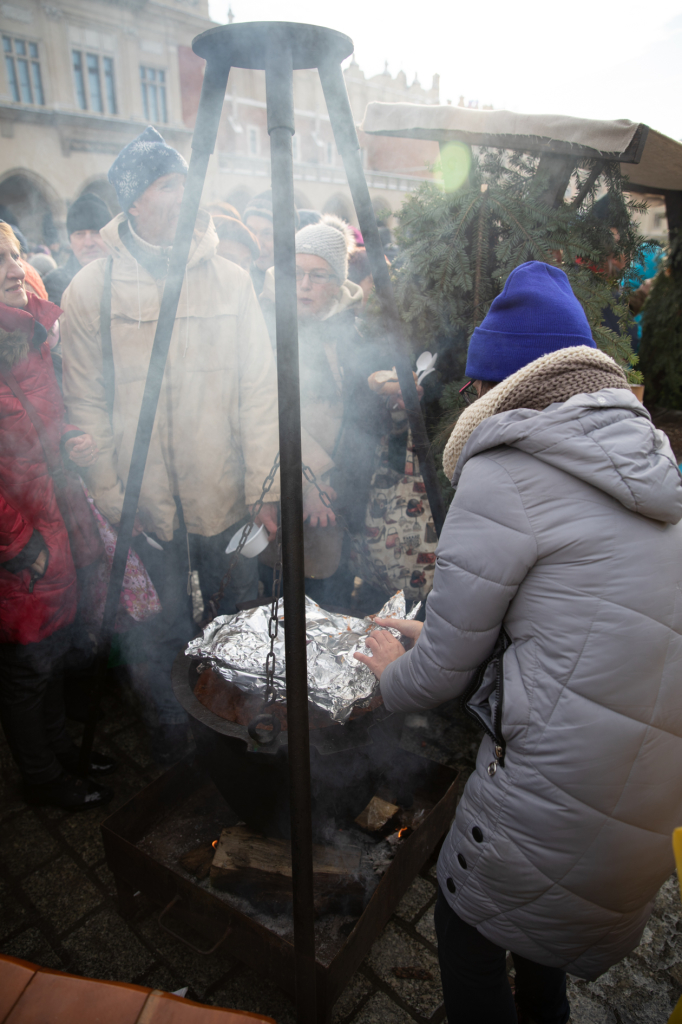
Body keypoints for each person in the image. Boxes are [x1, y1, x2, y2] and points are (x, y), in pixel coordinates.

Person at [355, 261, 682, 1024]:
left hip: (559, 785)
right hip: (645, 796)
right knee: (541, 927)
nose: (468, 398)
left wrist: (387, 680)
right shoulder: (654, 458)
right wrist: (443, 630)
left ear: (501, 384)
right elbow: (580, 619)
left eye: (475, 384)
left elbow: (439, 674)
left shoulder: (504, 470)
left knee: (463, 921)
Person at [60, 126, 280, 763]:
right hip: (143, 508)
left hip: (224, 501)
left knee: (235, 629)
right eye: (166, 185)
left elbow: (259, 393)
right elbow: (87, 407)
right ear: (132, 202)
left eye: (187, 182)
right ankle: (176, 751)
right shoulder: (89, 292)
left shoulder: (232, 281)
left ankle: (236, 735)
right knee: (159, 640)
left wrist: (262, 491)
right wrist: (111, 497)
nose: (183, 196)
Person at [0, 222, 115, 810]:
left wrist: (72, 437)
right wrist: (18, 545)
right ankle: (42, 778)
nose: (14, 268)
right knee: (27, 670)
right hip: (20, 540)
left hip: (56, 519)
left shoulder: (33, 337)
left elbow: (44, 422)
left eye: (16, 255)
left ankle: (60, 753)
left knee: (52, 653)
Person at [261, 219, 387, 609]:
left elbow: (359, 420)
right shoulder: (268, 327)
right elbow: (266, 411)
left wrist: (382, 392)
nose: (303, 285)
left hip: (340, 493)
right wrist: (306, 480)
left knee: (327, 601)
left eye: (317, 275)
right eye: (296, 273)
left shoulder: (353, 330)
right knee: (278, 601)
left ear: (338, 281)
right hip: (279, 483)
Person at [43, 192, 110, 306]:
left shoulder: (129, 278)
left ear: (110, 236)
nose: (88, 243)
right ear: (70, 241)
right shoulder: (53, 285)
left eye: (96, 233)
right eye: (80, 234)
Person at [243, 193, 275, 295]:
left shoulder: (300, 284)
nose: (258, 244)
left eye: (267, 234)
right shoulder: (239, 279)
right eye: (251, 232)